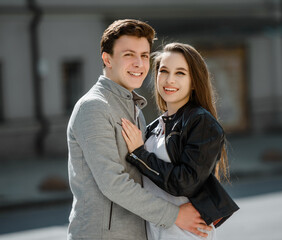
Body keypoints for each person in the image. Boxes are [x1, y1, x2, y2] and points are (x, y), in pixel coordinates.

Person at [67, 20, 212, 240]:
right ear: (107, 59)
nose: (139, 64)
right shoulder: (94, 107)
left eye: (144, 55)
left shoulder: (134, 109)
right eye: (128, 55)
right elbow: (113, 183)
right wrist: (174, 215)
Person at [121, 42, 239, 240]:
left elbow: (186, 182)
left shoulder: (201, 122)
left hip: (186, 235)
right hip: (157, 232)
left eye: (180, 73)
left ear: (194, 81)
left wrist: (140, 155)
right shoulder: (153, 127)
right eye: (164, 71)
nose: (170, 80)